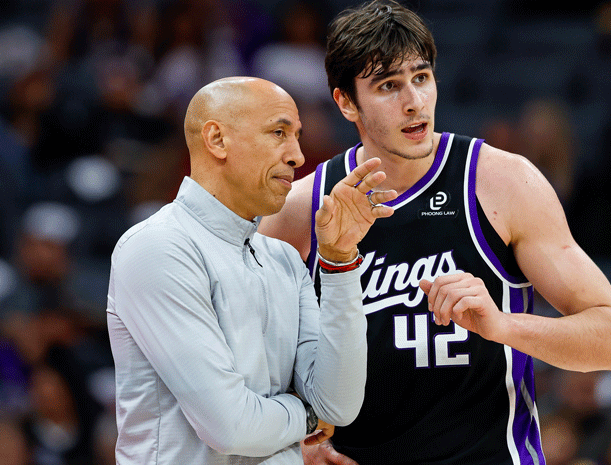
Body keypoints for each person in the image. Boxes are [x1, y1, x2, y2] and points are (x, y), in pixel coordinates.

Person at [258, 1, 611, 463]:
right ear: (345, 102)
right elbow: (250, 368)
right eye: (388, 86)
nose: (414, 102)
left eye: (421, 77)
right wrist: (293, 441)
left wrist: (502, 325)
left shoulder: (502, 183)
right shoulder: (302, 211)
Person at [106, 76, 398, 464]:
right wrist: (310, 416)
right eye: (278, 132)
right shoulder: (158, 247)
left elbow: (339, 404)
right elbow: (230, 428)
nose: (296, 155)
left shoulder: (285, 260)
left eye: (296, 135)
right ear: (217, 140)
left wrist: (340, 259)